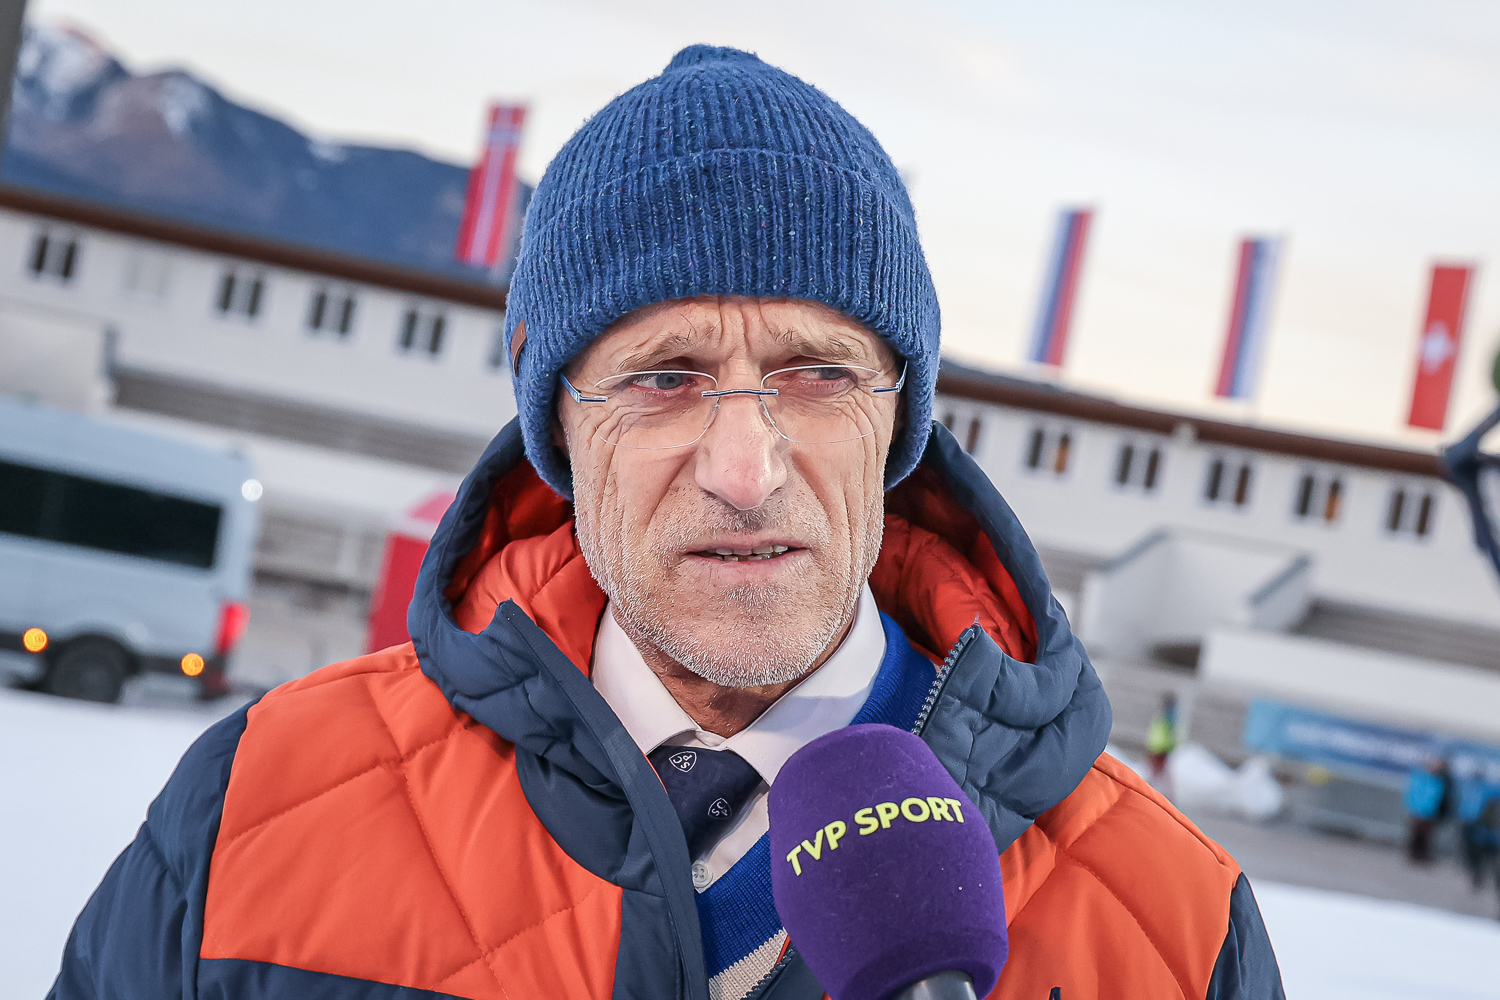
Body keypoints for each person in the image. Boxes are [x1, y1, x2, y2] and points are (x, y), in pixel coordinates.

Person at [50, 46, 1284, 999]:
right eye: (663, 377)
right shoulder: (259, 803)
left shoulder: (1176, 925)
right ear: (557, 426)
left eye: (818, 372)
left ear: (899, 423)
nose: (745, 469)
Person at [1146, 691, 1180, 784]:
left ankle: (1152, 783)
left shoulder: (1164, 716)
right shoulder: (1169, 716)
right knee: (1157, 771)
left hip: (1159, 747)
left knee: (1156, 771)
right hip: (1160, 747)